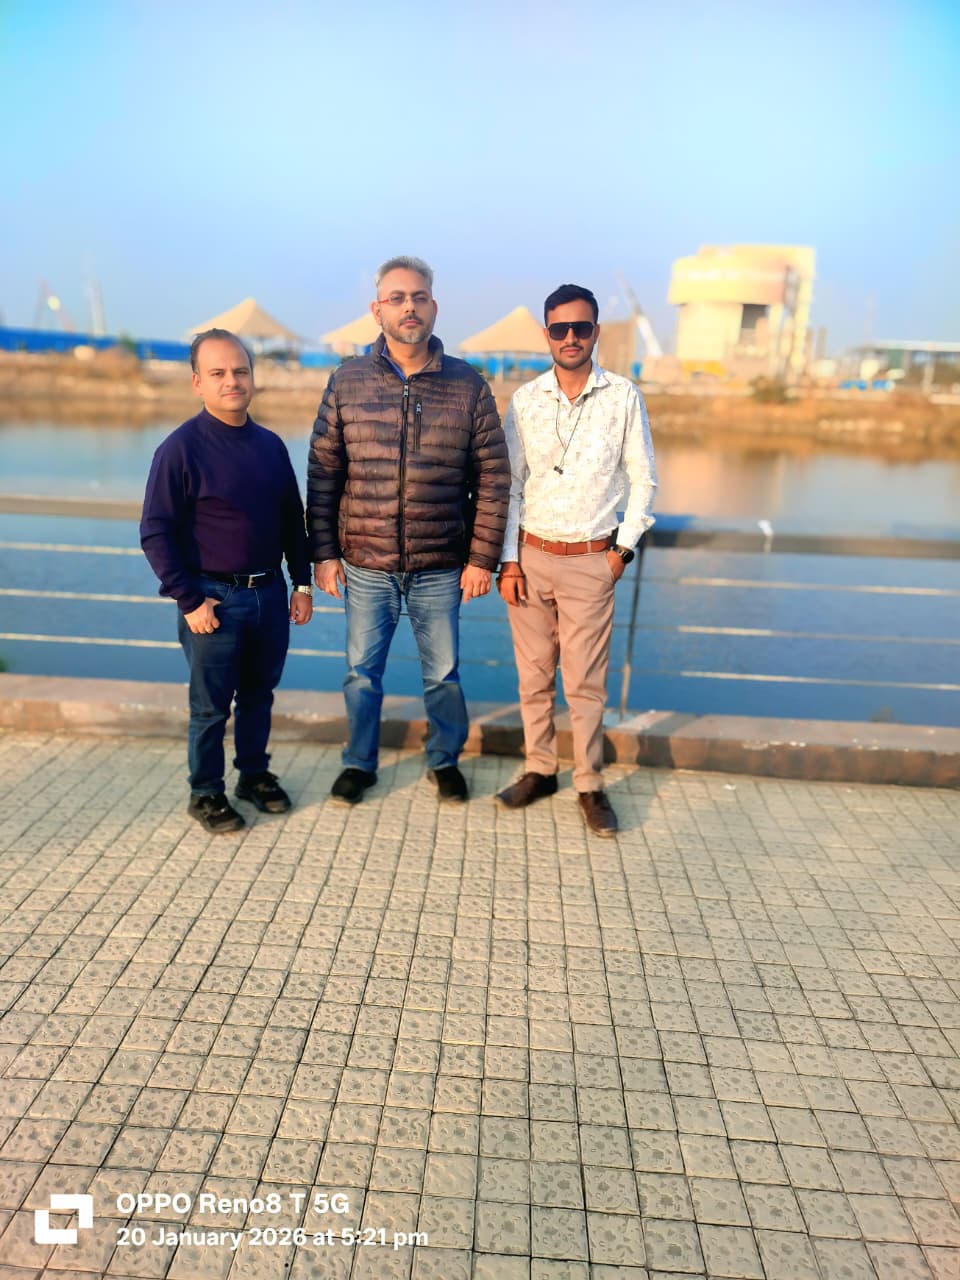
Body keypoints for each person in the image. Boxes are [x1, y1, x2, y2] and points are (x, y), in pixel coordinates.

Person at [307, 255, 509, 805]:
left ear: (434, 307)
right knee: (360, 674)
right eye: (396, 298)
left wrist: (482, 559)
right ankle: (359, 763)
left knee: (443, 675)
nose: (409, 307)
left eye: (418, 297)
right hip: (365, 564)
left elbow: (494, 477)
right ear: (377, 310)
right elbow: (324, 473)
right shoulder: (347, 380)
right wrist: (323, 554)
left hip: (440, 564)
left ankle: (444, 759)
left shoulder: (467, 384)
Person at [496, 284, 657, 837]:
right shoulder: (525, 400)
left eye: (581, 328)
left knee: (585, 684)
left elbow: (644, 479)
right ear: (547, 334)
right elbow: (510, 486)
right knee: (533, 677)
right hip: (530, 558)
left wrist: (621, 552)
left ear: (595, 333)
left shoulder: (623, 397)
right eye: (560, 329)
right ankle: (540, 769)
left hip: (592, 560)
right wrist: (508, 561)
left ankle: (589, 783)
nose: (570, 338)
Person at [140, 329, 314, 834]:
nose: (231, 381)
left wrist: (301, 584)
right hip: (212, 601)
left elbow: (292, 520)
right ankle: (206, 793)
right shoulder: (180, 449)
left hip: (269, 595)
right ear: (198, 382)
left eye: (240, 371)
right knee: (211, 709)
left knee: (259, 697)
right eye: (217, 373)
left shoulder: (270, 446)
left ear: (252, 377)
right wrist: (189, 600)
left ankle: (253, 776)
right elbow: (155, 532)